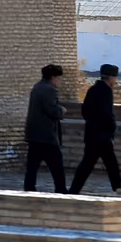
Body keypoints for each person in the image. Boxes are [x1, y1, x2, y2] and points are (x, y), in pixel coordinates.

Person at [69, 63, 121, 194]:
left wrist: (92, 123)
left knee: (86, 165)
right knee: (112, 167)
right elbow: (107, 113)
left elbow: (85, 111)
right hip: (103, 137)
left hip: (91, 134)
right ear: (111, 78)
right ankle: (120, 190)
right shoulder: (106, 91)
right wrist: (111, 129)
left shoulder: (92, 89)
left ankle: (74, 190)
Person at [23, 63, 68, 193]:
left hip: (34, 134)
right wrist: (61, 110)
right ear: (53, 77)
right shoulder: (49, 89)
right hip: (46, 134)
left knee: (32, 165)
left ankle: (29, 187)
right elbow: (52, 110)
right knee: (56, 165)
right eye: (59, 78)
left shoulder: (37, 87)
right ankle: (61, 189)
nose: (60, 81)